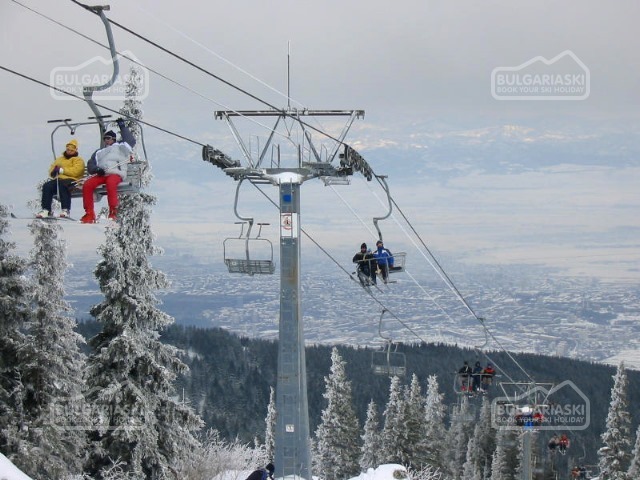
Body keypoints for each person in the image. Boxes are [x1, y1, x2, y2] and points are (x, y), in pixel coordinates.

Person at [81, 118, 136, 223]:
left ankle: (113, 211)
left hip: (115, 173)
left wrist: (122, 127)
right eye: (105, 138)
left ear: (114, 139)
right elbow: (91, 163)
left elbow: (131, 141)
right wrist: (96, 169)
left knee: (111, 183)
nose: (106, 140)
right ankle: (89, 213)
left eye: (109, 138)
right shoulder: (99, 152)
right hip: (102, 174)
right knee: (87, 184)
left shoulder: (121, 148)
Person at [36, 139, 85, 218]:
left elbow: (77, 171)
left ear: (75, 150)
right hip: (59, 179)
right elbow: (52, 167)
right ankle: (46, 210)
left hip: (72, 179)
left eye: (71, 150)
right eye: (68, 150)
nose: (69, 151)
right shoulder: (60, 159)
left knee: (63, 185)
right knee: (47, 186)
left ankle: (65, 209)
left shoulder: (78, 160)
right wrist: (53, 172)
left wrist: (62, 170)